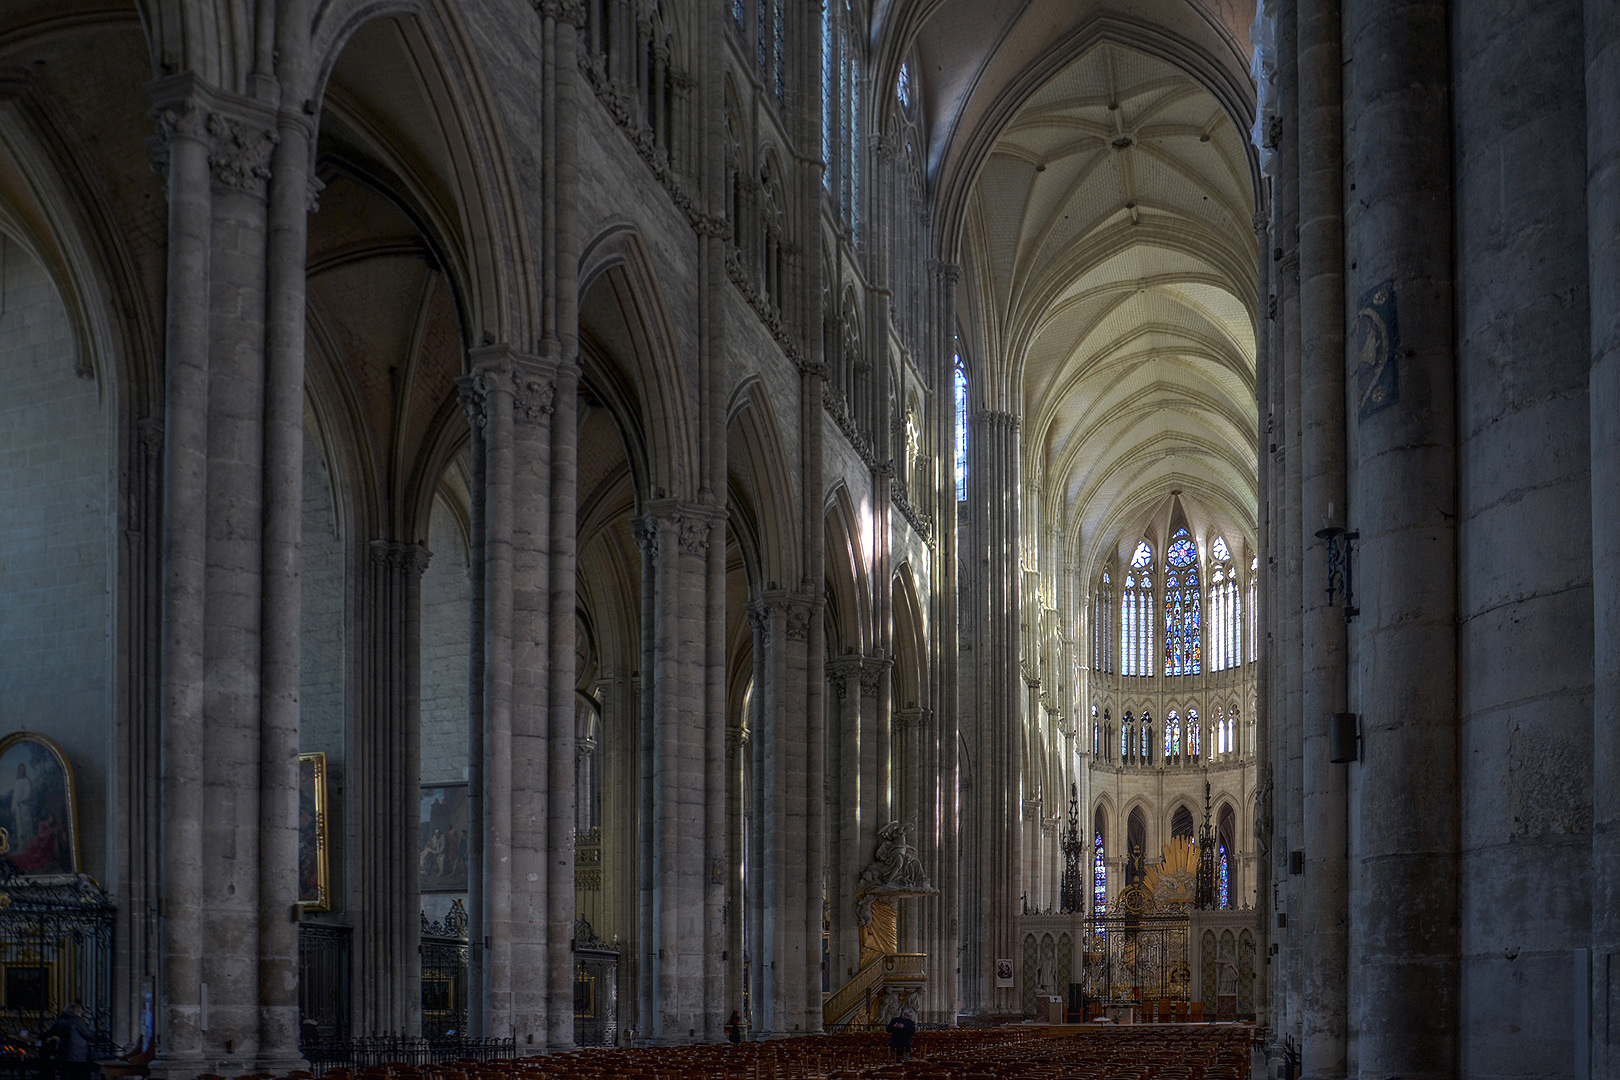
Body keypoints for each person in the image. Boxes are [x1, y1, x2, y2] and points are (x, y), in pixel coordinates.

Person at [47, 1003, 93, 1080]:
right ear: (77, 1012)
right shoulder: (77, 1021)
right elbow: (89, 1035)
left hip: (64, 1053)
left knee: (66, 1075)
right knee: (80, 1075)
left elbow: (52, 1032)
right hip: (78, 1054)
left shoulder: (62, 1021)